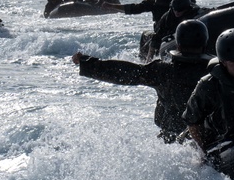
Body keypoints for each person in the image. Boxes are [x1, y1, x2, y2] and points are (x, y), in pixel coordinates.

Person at [72, 19, 214, 143]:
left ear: (178, 46)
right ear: (205, 44)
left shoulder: (163, 71)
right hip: (209, 136)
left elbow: (123, 72)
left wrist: (88, 63)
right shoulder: (215, 71)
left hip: (172, 138)